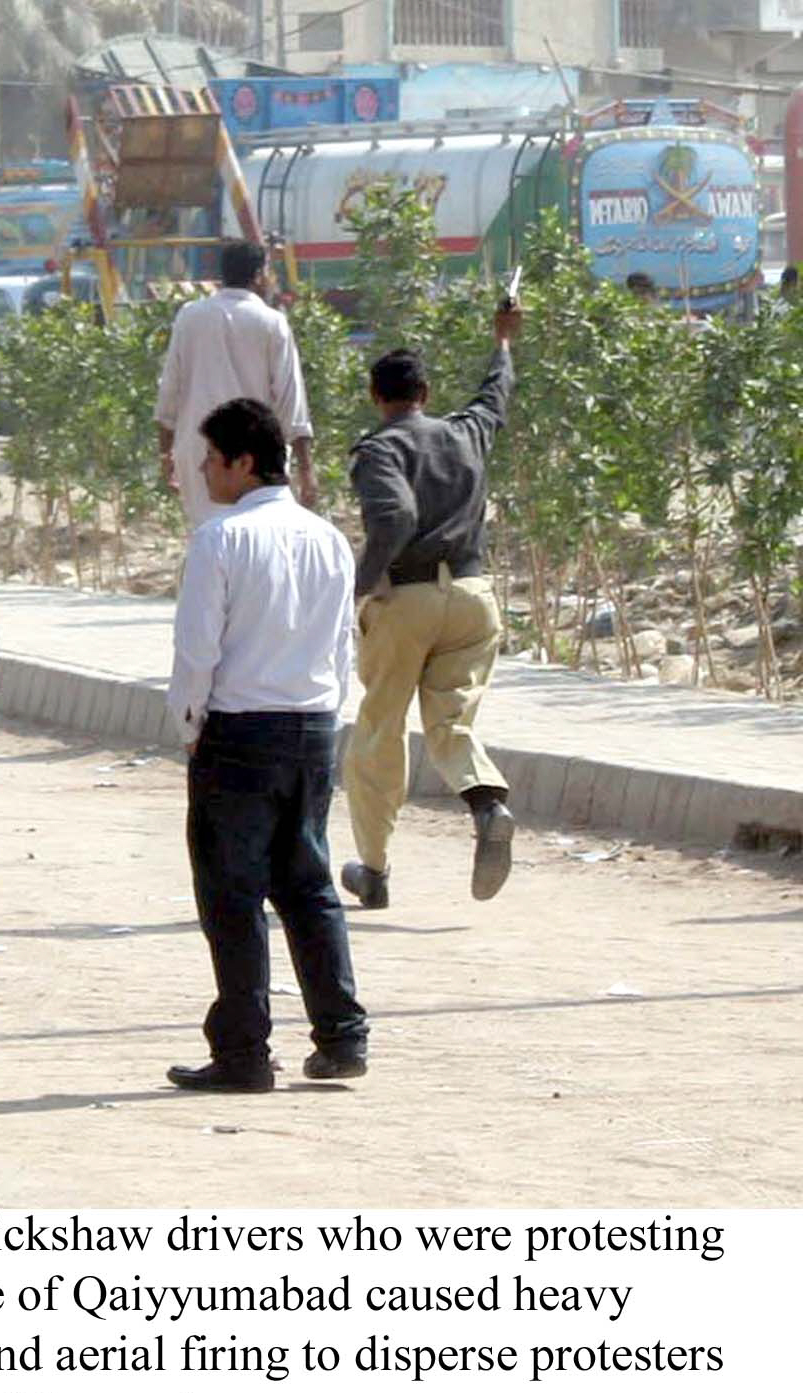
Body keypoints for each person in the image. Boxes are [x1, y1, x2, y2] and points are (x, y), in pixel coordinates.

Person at [164, 397, 365, 1091]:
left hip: (240, 731)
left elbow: (197, 651)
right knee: (309, 887)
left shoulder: (221, 539)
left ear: (243, 462)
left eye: (212, 459)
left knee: (232, 895)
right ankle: (342, 1036)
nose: (204, 472)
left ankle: (244, 1052)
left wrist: (191, 727)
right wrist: (329, 718)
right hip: (311, 726)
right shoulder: (329, 539)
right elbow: (342, 646)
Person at [341, 303, 522, 912]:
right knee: (451, 724)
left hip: (406, 599)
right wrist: (502, 341)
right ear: (425, 392)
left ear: (376, 395)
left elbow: (394, 517)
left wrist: (361, 586)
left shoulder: (379, 450)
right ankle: (487, 804)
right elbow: (495, 394)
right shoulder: (464, 432)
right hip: (473, 599)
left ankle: (373, 868)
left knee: (378, 732)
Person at [153, 240, 316, 528]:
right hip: (255, 455)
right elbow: (291, 401)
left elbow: (170, 390)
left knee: (209, 535)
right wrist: (306, 469)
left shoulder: (190, 317)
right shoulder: (272, 322)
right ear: (258, 275)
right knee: (258, 537)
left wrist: (166, 454)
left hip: (199, 451)